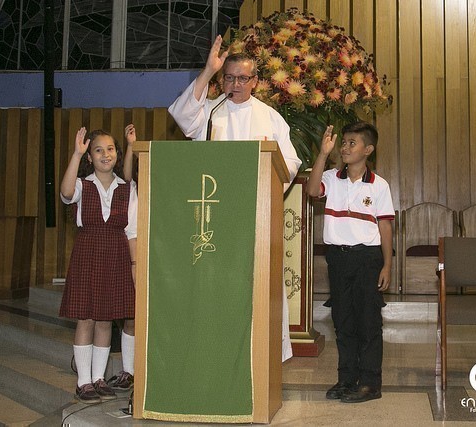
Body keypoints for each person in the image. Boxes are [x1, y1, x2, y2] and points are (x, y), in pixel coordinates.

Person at [168, 34, 302, 362]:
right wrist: (207, 72)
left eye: (243, 78)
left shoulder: (269, 117)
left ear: (255, 81)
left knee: (256, 290)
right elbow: (183, 117)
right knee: (218, 290)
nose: (236, 84)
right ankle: (216, 351)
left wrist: (262, 189)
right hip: (216, 218)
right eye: (229, 77)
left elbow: (290, 163)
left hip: (255, 216)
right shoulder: (212, 112)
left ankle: (260, 355)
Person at [306, 122, 394, 403]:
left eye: (351, 143)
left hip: (367, 259)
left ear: (368, 149)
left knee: (368, 321)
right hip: (338, 259)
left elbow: (386, 227)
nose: (344, 147)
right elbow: (311, 191)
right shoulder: (331, 177)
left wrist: (387, 265)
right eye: (342, 142)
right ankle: (346, 379)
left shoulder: (379, 186)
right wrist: (322, 154)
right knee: (342, 321)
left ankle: (370, 382)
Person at [59, 125, 138, 403]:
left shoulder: (126, 188)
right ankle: (83, 382)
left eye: (110, 149)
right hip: (89, 252)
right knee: (87, 317)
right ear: (90, 157)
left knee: (105, 318)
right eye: (98, 150)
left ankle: (99, 378)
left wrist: (134, 264)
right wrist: (75, 153)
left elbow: (132, 231)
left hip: (115, 254)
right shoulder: (84, 185)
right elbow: (66, 192)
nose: (106, 154)